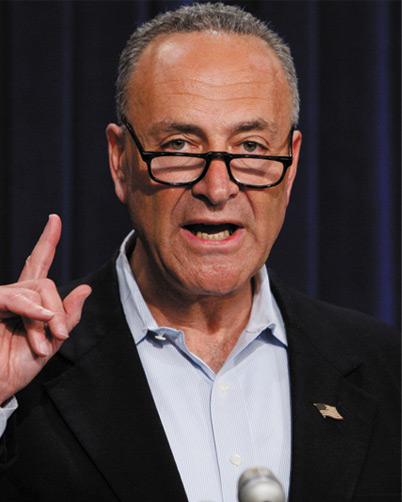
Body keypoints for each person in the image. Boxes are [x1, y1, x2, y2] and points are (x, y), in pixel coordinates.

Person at [0, 3, 399, 501]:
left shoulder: (386, 370)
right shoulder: (23, 373)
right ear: (120, 161)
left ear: (291, 164)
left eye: (250, 148)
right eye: (179, 146)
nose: (217, 187)